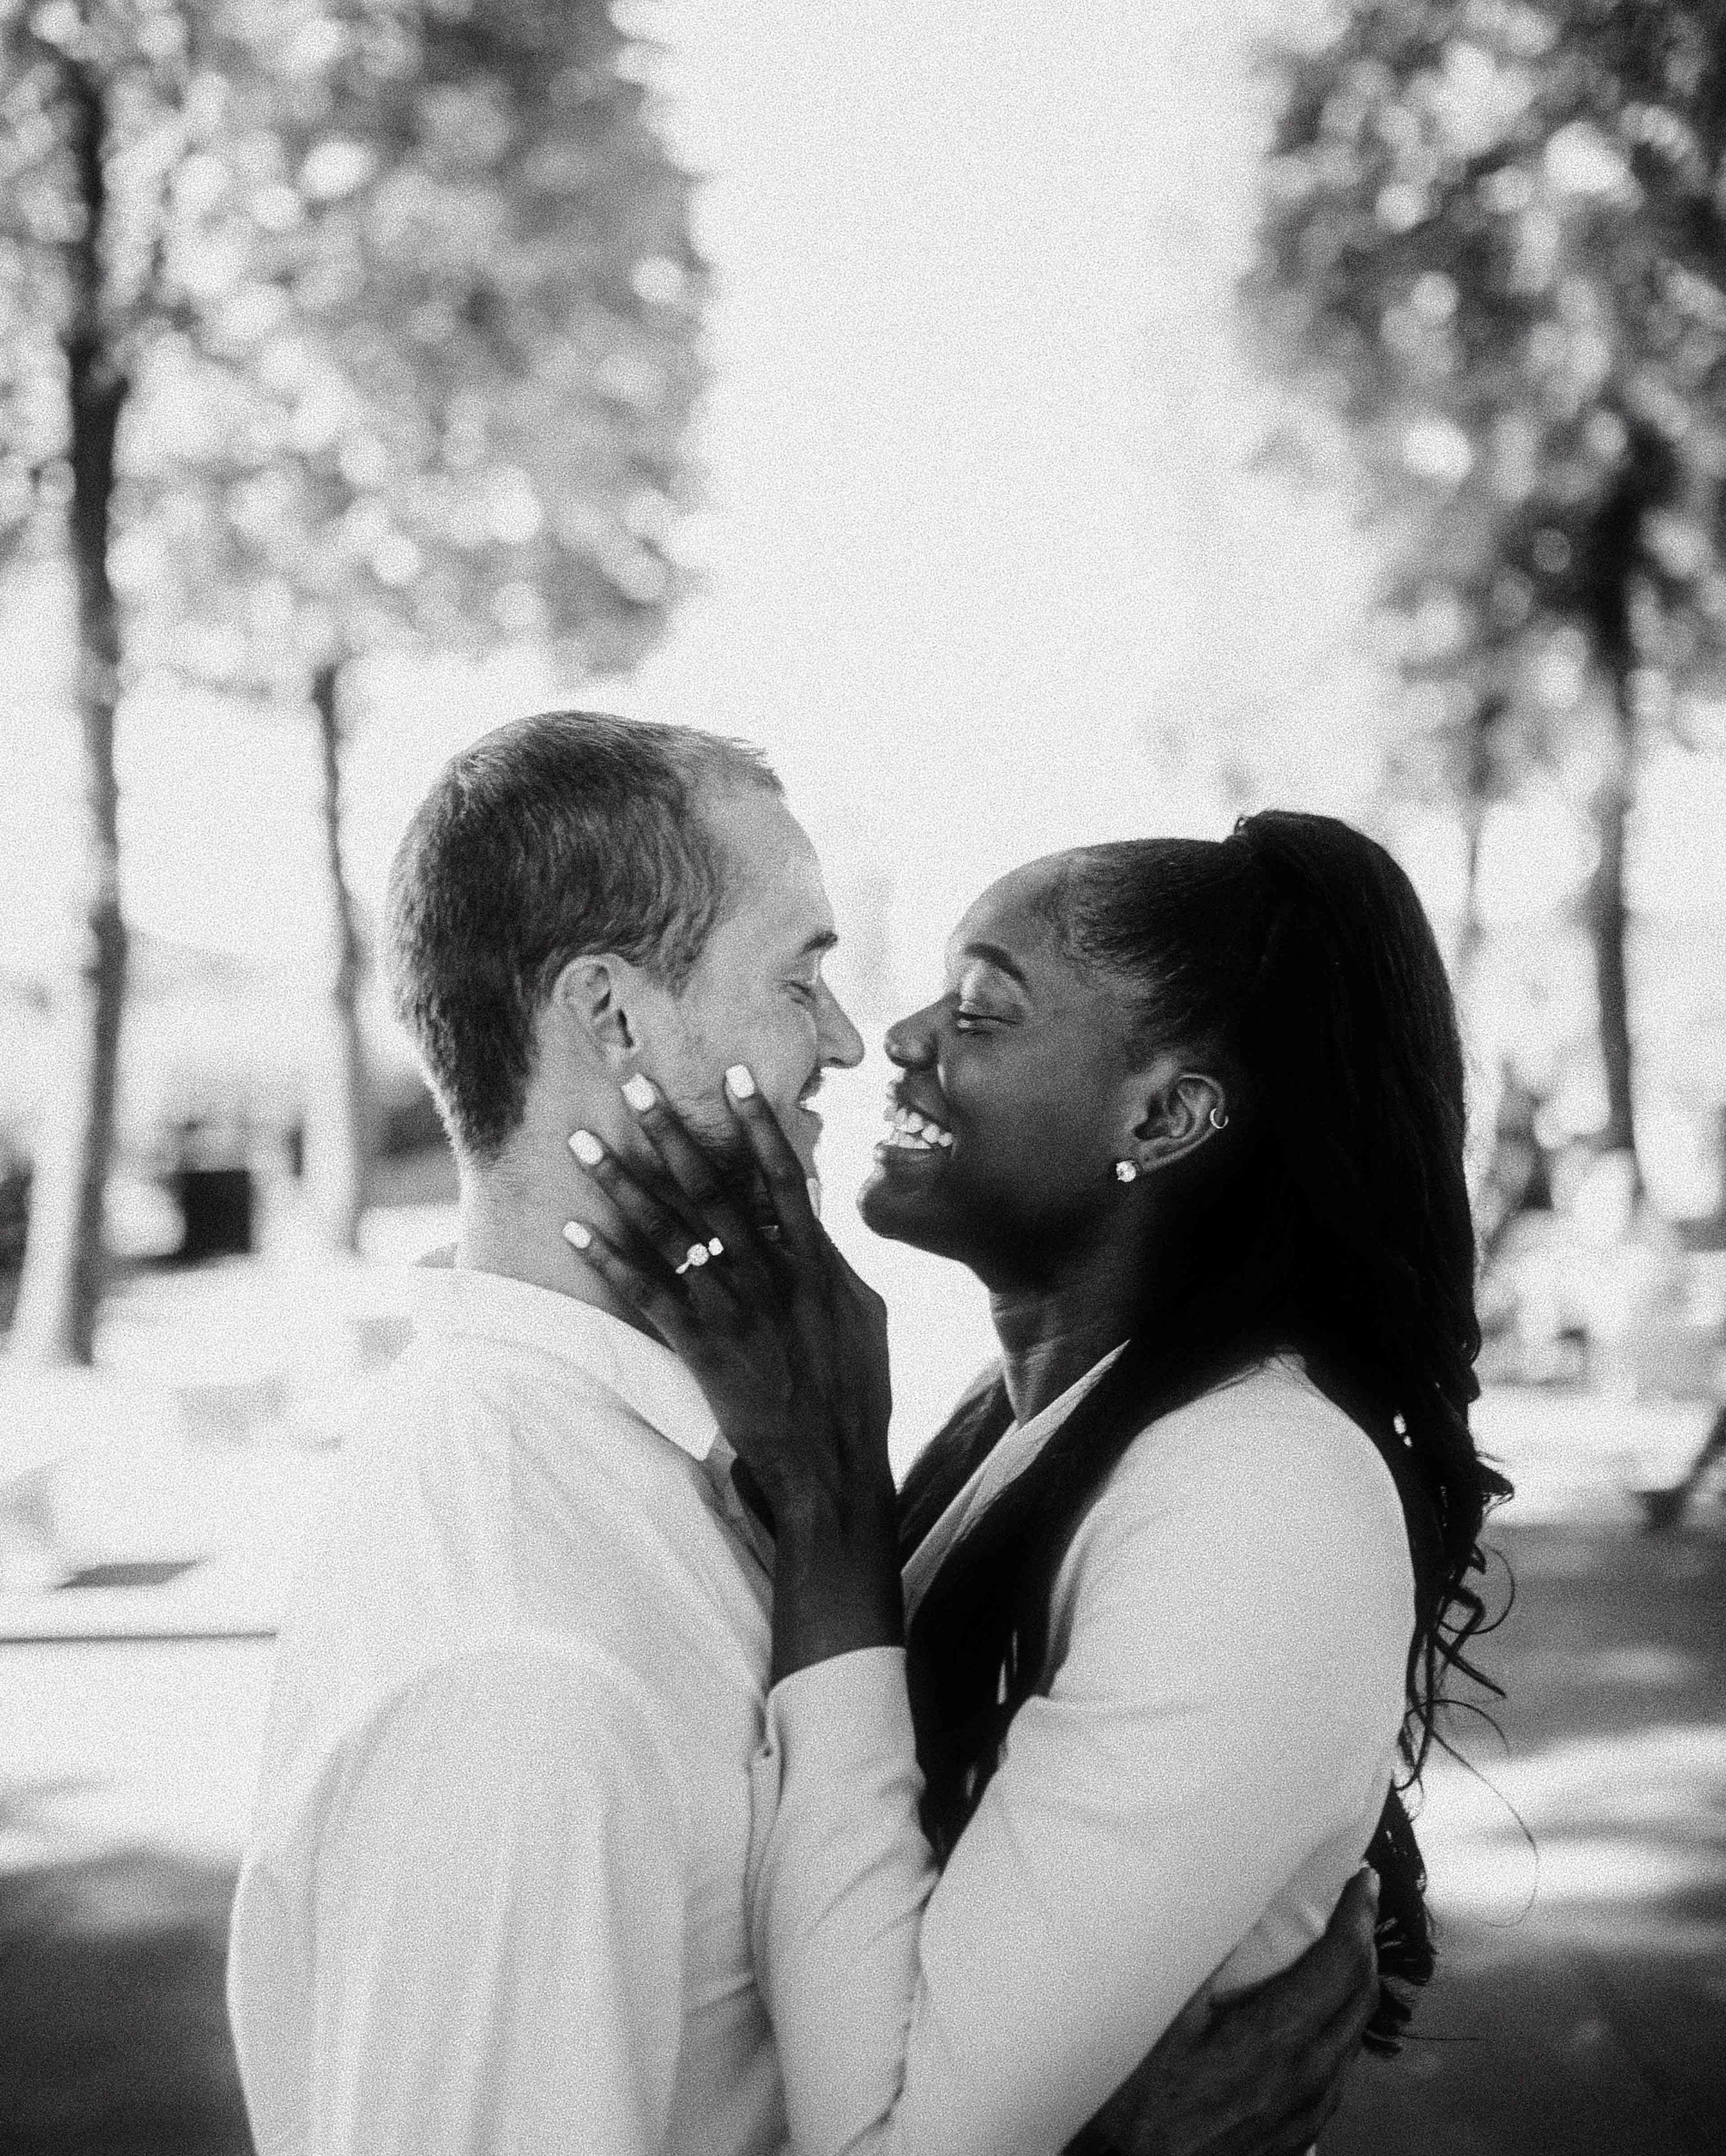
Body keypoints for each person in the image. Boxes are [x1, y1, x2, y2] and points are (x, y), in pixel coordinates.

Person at [227, 714, 1381, 2156]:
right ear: (614, 1021)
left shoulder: (671, 1480)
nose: (852, 1040)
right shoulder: (518, 1674)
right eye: (800, 977)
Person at [568, 811, 1510, 2154]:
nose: (895, 1039)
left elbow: (890, 2138)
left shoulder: (1258, 1500)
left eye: (981, 1009)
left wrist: (834, 1492)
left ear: (1168, 1114)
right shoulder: (1014, 1420)